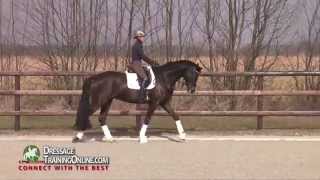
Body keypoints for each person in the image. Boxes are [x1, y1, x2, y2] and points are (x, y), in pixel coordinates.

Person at [128, 31, 158, 103]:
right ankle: (141, 96)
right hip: (136, 64)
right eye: (141, 37)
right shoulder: (137, 45)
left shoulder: (139, 45)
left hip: (139, 63)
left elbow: (141, 57)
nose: (143, 38)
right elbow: (142, 56)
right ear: (138, 37)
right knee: (145, 78)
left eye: (143, 37)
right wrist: (151, 62)